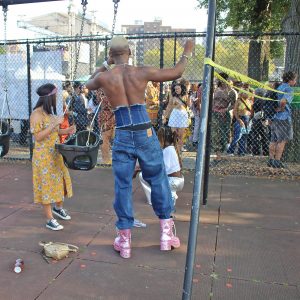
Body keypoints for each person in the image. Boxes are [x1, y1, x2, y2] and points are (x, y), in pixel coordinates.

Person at [86, 36, 194, 259]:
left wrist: (106, 64)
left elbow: (88, 83)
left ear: (111, 54)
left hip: (123, 132)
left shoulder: (105, 77)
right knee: (158, 178)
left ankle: (124, 241)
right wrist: (187, 50)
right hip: (144, 130)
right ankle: (166, 235)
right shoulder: (141, 72)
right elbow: (176, 72)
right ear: (130, 52)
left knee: (123, 184)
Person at [30, 83, 76, 231]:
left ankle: (58, 208)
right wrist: (53, 124)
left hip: (55, 154)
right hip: (43, 157)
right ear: (48, 98)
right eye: (55, 96)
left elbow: (56, 133)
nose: (56, 99)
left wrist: (68, 130)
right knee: (47, 186)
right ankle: (50, 219)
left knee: (61, 181)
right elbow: (37, 137)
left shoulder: (49, 113)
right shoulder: (36, 114)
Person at [138, 126, 184, 211]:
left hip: (173, 182)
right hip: (175, 180)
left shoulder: (169, 150)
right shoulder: (169, 148)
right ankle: (169, 195)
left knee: (143, 175)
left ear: (162, 138)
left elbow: (163, 169)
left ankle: (155, 200)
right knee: (148, 173)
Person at [268, 71, 297, 168]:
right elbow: (284, 101)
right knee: (282, 140)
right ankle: (277, 161)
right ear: (291, 80)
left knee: (274, 139)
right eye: (295, 79)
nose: (295, 81)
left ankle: (271, 160)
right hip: (283, 117)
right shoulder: (288, 89)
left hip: (274, 117)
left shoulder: (278, 87)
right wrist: (282, 108)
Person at [165, 80, 190, 153]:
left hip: (183, 115)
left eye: (178, 89)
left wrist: (189, 96)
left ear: (182, 88)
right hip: (174, 115)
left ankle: (179, 151)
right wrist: (165, 117)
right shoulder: (172, 96)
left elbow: (189, 105)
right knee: (174, 135)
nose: (176, 90)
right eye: (175, 89)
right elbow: (169, 106)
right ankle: (174, 151)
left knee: (181, 135)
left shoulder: (186, 95)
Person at [227, 89, 253, 156]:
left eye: (248, 93)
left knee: (244, 136)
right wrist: (238, 119)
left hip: (247, 119)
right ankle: (230, 151)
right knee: (237, 136)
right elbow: (235, 111)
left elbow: (251, 111)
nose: (247, 94)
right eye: (245, 93)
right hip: (240, 118)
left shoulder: (249, 101)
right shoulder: (238, 101)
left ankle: (241, 152)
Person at [97, 88, 115, 165]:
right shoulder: (102, 89)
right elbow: (100, 101)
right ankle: (106, 160)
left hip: (113, 117)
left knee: (107, 139)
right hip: (107, 117)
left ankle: (107, 160)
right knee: (105, 139)